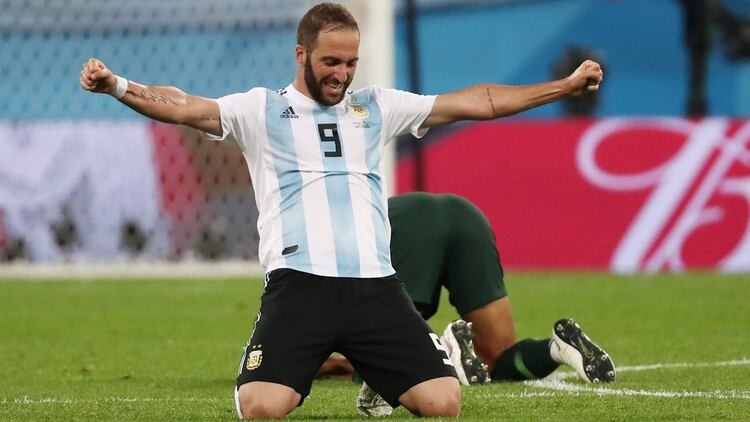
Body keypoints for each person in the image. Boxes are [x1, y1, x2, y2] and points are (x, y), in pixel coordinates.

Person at [79, 3, 603, 419]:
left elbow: (479, 101)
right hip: (298, 287)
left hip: (376, 288)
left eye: (351, 63)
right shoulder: (260, 108)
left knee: (444, 403)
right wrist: (119, 87)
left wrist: (563, 87)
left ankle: (382, 371)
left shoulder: (376, 106)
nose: (342, 74)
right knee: (262, 408)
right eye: (331, 62)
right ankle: (277, 360)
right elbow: (185, 105)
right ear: (301, 54)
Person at [319, 193, 616, 415]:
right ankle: (555, 348)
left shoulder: (316, 278)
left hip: (405, 230)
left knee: (386, 357)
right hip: (465, 215)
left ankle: (448, 349)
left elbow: (324, 353)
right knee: (496, 356)